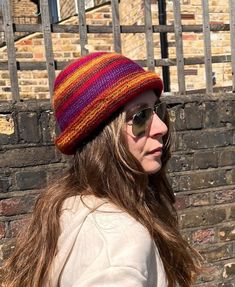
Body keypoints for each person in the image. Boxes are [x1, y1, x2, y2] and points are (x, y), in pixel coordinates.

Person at [3, 52, 201, 287]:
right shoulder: (119, 238)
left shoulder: (66, 207)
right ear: (101, 137)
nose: (160, 127)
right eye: (140, 116)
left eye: (157, 110)